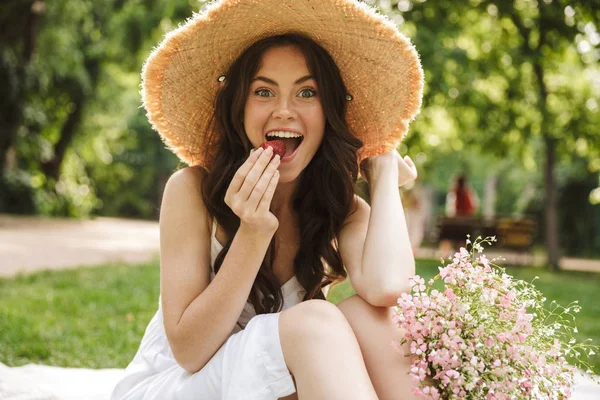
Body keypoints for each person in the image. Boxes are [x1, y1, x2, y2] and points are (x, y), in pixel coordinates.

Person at [111, 0, 423, 399]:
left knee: (369, 318)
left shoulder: (337, 208)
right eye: (264, 91)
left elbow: (388, 288)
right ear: (239, 108)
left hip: (273, 386)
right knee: (316, 321)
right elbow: (190, 352)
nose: (285, 111)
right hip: (185, 385)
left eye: (307, 92)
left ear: (328, 113)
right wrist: (253, 233)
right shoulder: (192, 191)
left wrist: (382, 179)